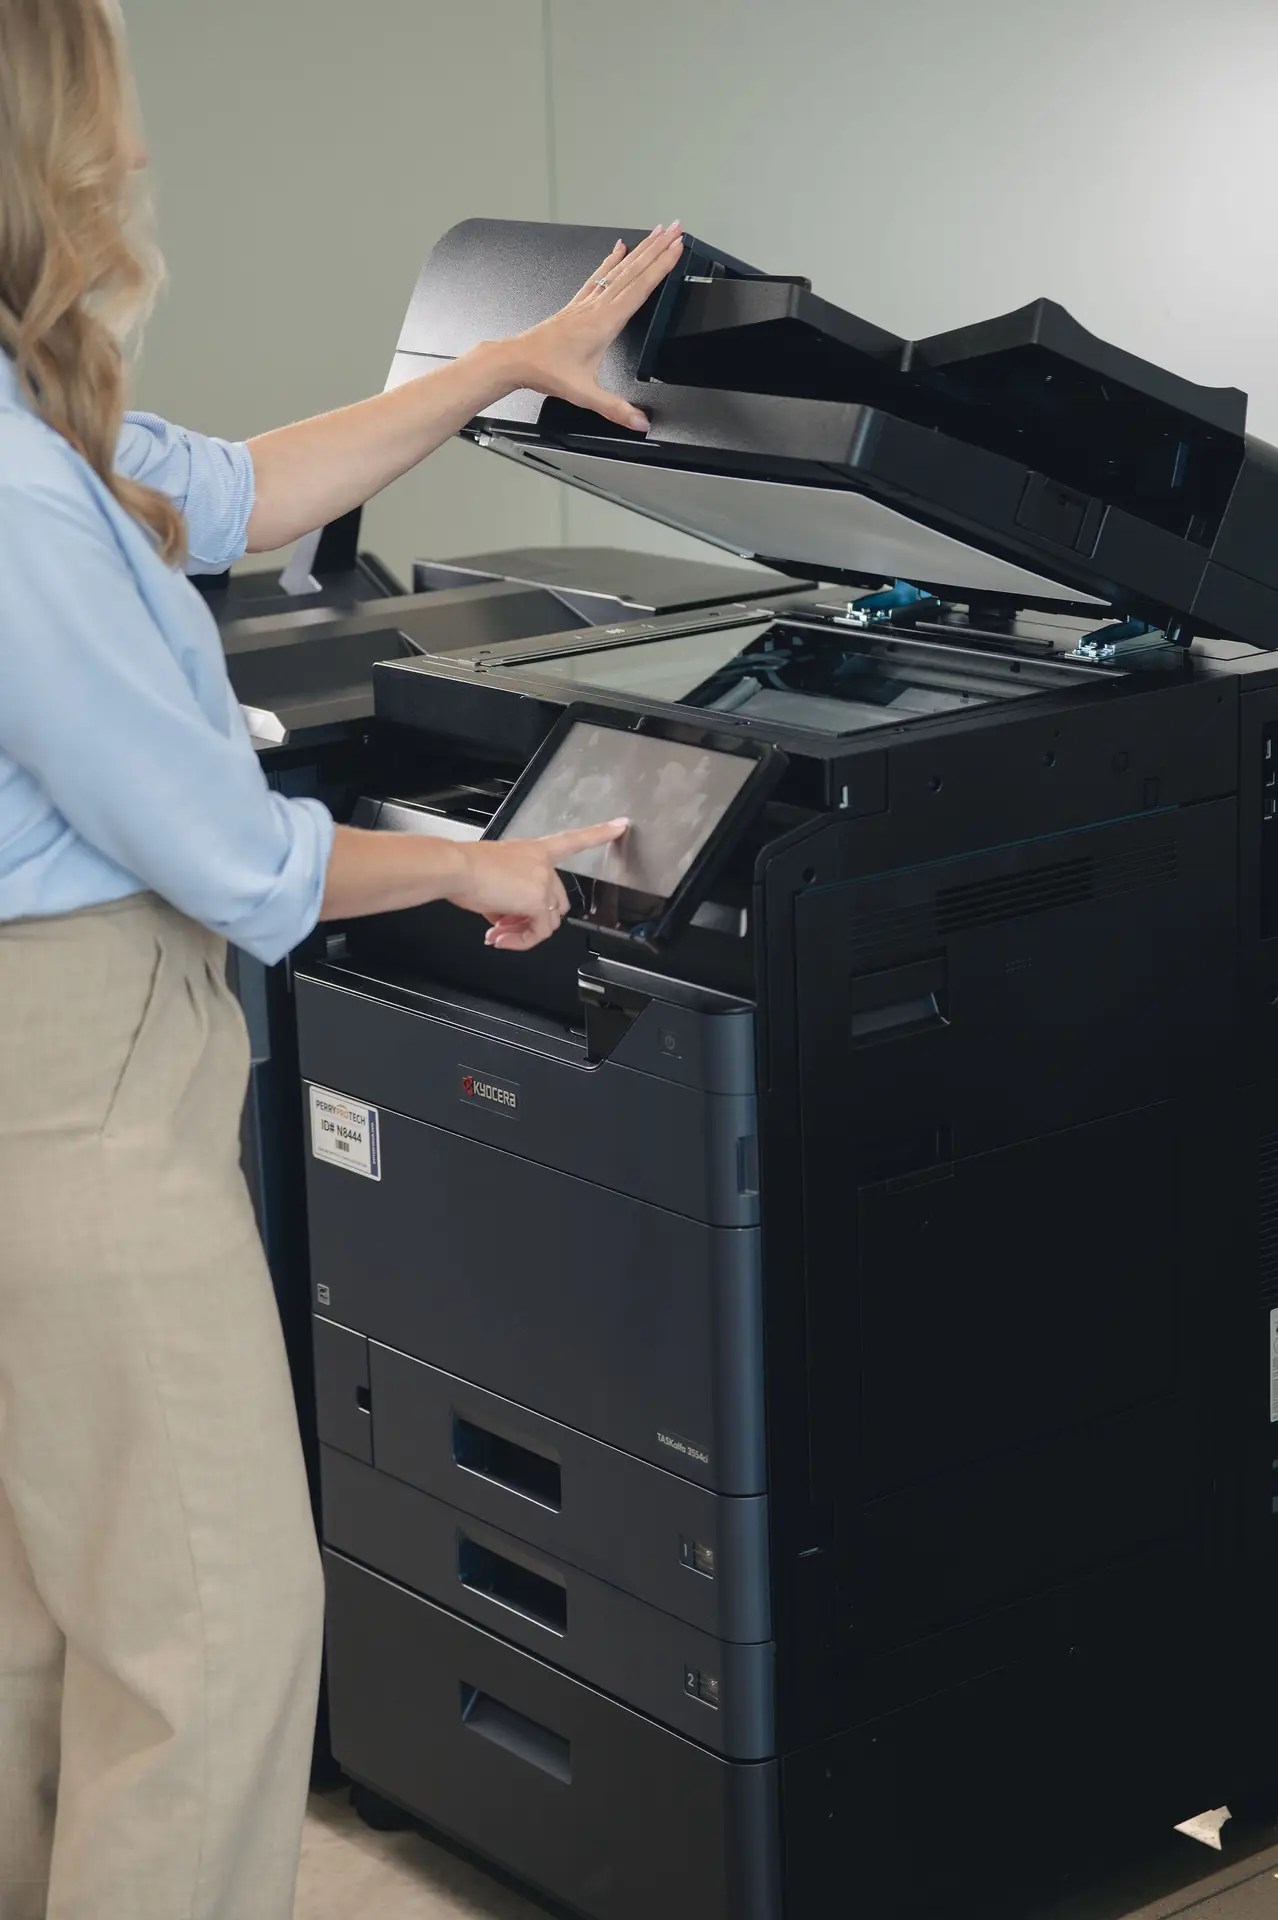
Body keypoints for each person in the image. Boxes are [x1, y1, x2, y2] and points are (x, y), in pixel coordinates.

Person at [0, 4, 684, 1916]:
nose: (132, 164)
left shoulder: (27, 420)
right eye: (103, 131)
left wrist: (497, 370)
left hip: (36, 1069)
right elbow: (236, 859)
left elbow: (235, 490)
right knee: (207, 1641)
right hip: (71, 1084)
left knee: (44, 1633)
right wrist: (471, 873)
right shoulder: (12, 496)